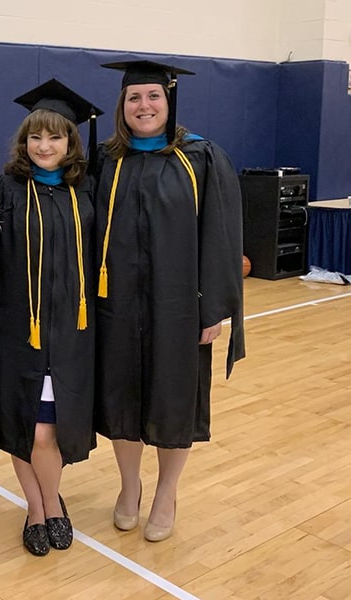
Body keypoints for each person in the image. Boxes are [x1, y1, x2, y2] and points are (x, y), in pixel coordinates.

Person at [93, 60, 245, 542]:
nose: (144, 106)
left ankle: (166, 493)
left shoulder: (200, 158)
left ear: (169, 100)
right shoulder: (106, 160)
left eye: (153, 96)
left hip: (178, 306)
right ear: (122, 105)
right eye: (134, 97)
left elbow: (220, 234)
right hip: (115, 303)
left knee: (174, 400)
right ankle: (129, 486)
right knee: (121, 399)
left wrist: (214, 308)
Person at [0, 79, 101, 556]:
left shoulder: (86, 190)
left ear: (70, 142)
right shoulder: (5, 189)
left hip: (72, 332)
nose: (44, 146)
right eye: (36, 136)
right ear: (24, 140)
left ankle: (50, 502)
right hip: (20, 329)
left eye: (55, 137)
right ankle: (39, 509)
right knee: (28, 426)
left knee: (52, 430)